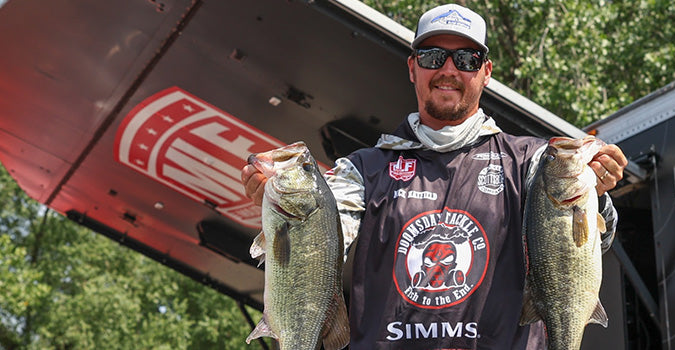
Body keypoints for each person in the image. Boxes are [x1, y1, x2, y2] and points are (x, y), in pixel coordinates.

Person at [241, 3, 628, 349]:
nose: (448, 70)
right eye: (432, 56)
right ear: (413, 68)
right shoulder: (360, 170)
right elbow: (317, 247)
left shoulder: (532, 161)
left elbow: (594, 239)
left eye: (466, 58)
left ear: (486, 72)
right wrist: (282, 212)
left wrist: (598, 189)